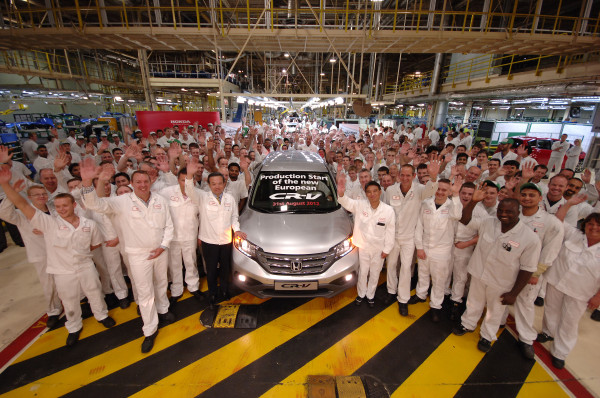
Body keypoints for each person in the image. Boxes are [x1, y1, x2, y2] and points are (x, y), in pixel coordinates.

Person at [0, 166, 116, 346]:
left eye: (65, 206)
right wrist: (5, 185)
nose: (61, 209)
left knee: (94, 291)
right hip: (63, 271)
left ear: (74, 205)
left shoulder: (87, 224)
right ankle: (74, 326)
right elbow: (22, 205)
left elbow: (94, 244)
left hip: (85, 265)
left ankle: (101, 315)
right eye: (58, 206)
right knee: (69, 300)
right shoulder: (48, 223)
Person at [80, 158, 175, 354]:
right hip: (138, 255)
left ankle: (164, 309)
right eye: (138, 182)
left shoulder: (160, 200)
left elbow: (169, 226)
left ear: (150, 182)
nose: (142, 185)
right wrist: (90, 182)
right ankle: (150, 329)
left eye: (145, 181)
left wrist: (163, 246)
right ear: (131, 184)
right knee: (144, 291)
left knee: (161, 283)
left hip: (160, 250)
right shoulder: (120, 202)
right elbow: (94, 204)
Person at [453, 193, 541, 353]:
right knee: (473, 302)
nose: (503, 215)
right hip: (479, 273)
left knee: (495, 310)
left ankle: (487, 336)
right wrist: (473, 202)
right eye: (501, 210)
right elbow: (465, 219)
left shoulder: (530, 238)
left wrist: (514, 293)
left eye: (509, 212)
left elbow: (528, 268)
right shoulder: (488, 223)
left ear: (518, 212)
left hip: (502, 281)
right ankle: (467, 324)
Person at [537, 195, 600, 369]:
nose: (593, 228)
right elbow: (558, 221)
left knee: (569, 321)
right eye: (590, 224)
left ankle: (560, 352)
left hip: (581, 291)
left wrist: (598, 297)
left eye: (598, 225)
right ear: (585, 226)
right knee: (551, 309)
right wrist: (570, 203)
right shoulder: (574, 235)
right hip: (557, 281)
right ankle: (548, 333)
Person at [506, 183, 564, 359]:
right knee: (501, 297)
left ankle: (526, 339)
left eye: (532, 195)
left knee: (525, 304)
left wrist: (536, 273)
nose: (527, 198)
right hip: (507, 266)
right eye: (523, 195)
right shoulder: (514, 216)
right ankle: (498, 324)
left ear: (540, 198)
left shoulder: (551, 222)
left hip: (529, 272)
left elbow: (551, 250)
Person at [184, 156, 245, 307]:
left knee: (225, 269)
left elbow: (234, 217)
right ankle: (212, 294)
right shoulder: (202, 197)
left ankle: (224, 291)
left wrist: (236, 231)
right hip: (208, 241)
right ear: (209, 184)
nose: (217, 187)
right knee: (211, 271)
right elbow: (190, 190)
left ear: (225, 183)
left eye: (219, 183)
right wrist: (190, 175)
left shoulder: (230, 199)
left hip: (226, 241)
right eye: (213, 184)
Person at [0, 182, 62, 328]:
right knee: (48, 283)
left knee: (67, 279)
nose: (41, 197)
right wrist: (11, 195)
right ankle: (53, 310)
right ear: (29, 197)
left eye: (43, 194)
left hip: (61, 250)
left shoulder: (55, 209)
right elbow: (4, 213)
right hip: (41, 253)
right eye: (37, 195)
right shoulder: (22, 215)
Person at [384, 162, 440, 316]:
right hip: (393, 236)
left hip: (409, 237)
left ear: (414, 176)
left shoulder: (420, 190)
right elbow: (386, 212)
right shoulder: (390, 190)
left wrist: (434, 177)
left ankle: (403, 299)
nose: (405, 178)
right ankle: (391, 291)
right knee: (391, 265)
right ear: (398, 175)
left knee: (406, 268)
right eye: (402, 175)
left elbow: (432, 189)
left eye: (409, 175)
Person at [337, 175, 395, 307]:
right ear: (366, 193)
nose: (372, 194)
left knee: (375, 273)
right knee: (363, 272)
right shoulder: (360, 205)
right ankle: (361, 294)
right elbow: (346, 202)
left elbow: (390, 232)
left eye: (375, 191)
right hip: (363, 247)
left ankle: (370, 296)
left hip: (379, 249)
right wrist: (341, 192)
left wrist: (387, 249)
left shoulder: (388, 211)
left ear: (380, 192)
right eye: (369, 192)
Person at [411, 178, 462, 322]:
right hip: (425, 246)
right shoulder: (426, 203)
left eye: (444, 190)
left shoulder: (453, 206)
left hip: (441, 250)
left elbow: (458, 215)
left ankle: (436, 305)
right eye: (438, 189)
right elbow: (419, 226)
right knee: (423, 273)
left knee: (439, 280)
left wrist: (457, 194)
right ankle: (421, 295)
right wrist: (419, 247)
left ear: (449, 192)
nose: (440, 192)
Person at [159, 168, 203, 303]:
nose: (185, 183)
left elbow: (203, 218)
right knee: (175, 265)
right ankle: (176, 290)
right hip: (172, 237)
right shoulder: (166, 193)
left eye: (189, 180)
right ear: (178, 180)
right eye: (182, 180)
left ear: (194, 180)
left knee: (191, 262)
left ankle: (193, 287)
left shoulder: (200, 194)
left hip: (190, 235)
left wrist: (200, 235)